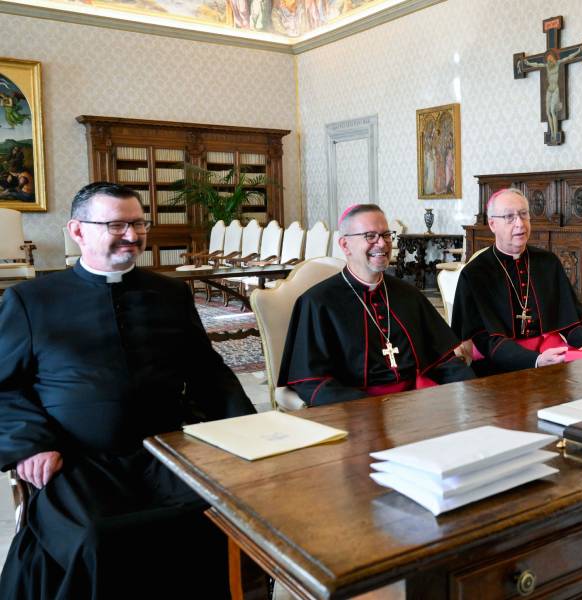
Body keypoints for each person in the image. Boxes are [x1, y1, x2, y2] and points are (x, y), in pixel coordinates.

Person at [0, 182, 255, 599]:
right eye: (116, 225)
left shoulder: (170, 293)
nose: (133, 236)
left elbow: (209, 372)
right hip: (80, 458)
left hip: (167, 450)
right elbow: (3, 385)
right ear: (77, 230)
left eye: (138, 223)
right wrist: (30, 443)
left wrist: (246, 431)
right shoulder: (32, 300)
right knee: (98, 537)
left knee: (216, 516)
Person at [279, 204, 474, 405]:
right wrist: (373, 409)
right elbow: (312, 383)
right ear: (345, 245)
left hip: (418, 404)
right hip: (359, 413)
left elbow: (442, 360)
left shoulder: (408, 295)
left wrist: (473, 390)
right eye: (370, 236)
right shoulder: (317, 303)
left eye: (386, 235)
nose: (382, 244)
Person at [450, 188, 582, 375]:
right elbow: (485, 340)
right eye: (509, 217)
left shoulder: (548, 263)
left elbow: (574, 319)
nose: (520, 224)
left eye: (524, 215)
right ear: (492, 224)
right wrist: (535, 360)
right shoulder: (475, 273)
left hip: (552, 358)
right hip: (497, 370)